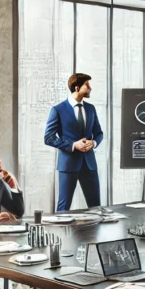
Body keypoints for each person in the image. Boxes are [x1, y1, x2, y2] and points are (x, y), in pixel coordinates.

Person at [43, 73, 104, 212]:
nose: (90, 88)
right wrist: (72, 145)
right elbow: (48, 137)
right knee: (63, 207)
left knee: (96, 207)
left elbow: (99, 133)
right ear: (77, 88)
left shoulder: (91, 108)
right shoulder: (58, 110)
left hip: (89, 164)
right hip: (68, 164)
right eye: (87, 85)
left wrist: (93, 143)